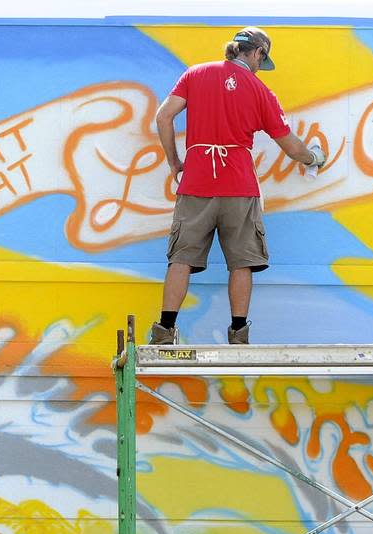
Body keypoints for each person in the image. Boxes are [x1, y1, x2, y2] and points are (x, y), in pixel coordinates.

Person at [149, 27, 326, 345]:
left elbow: (163, 117)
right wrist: (314, 158)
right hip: (239, 187)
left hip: (196, 182)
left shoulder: (195, 74)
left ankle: (164, 332)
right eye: (263, 59)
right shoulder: (261, 91)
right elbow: (292, 148)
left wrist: (176, 162)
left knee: (182, 258)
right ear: (258, 53)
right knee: (242, 262)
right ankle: (238, 335)